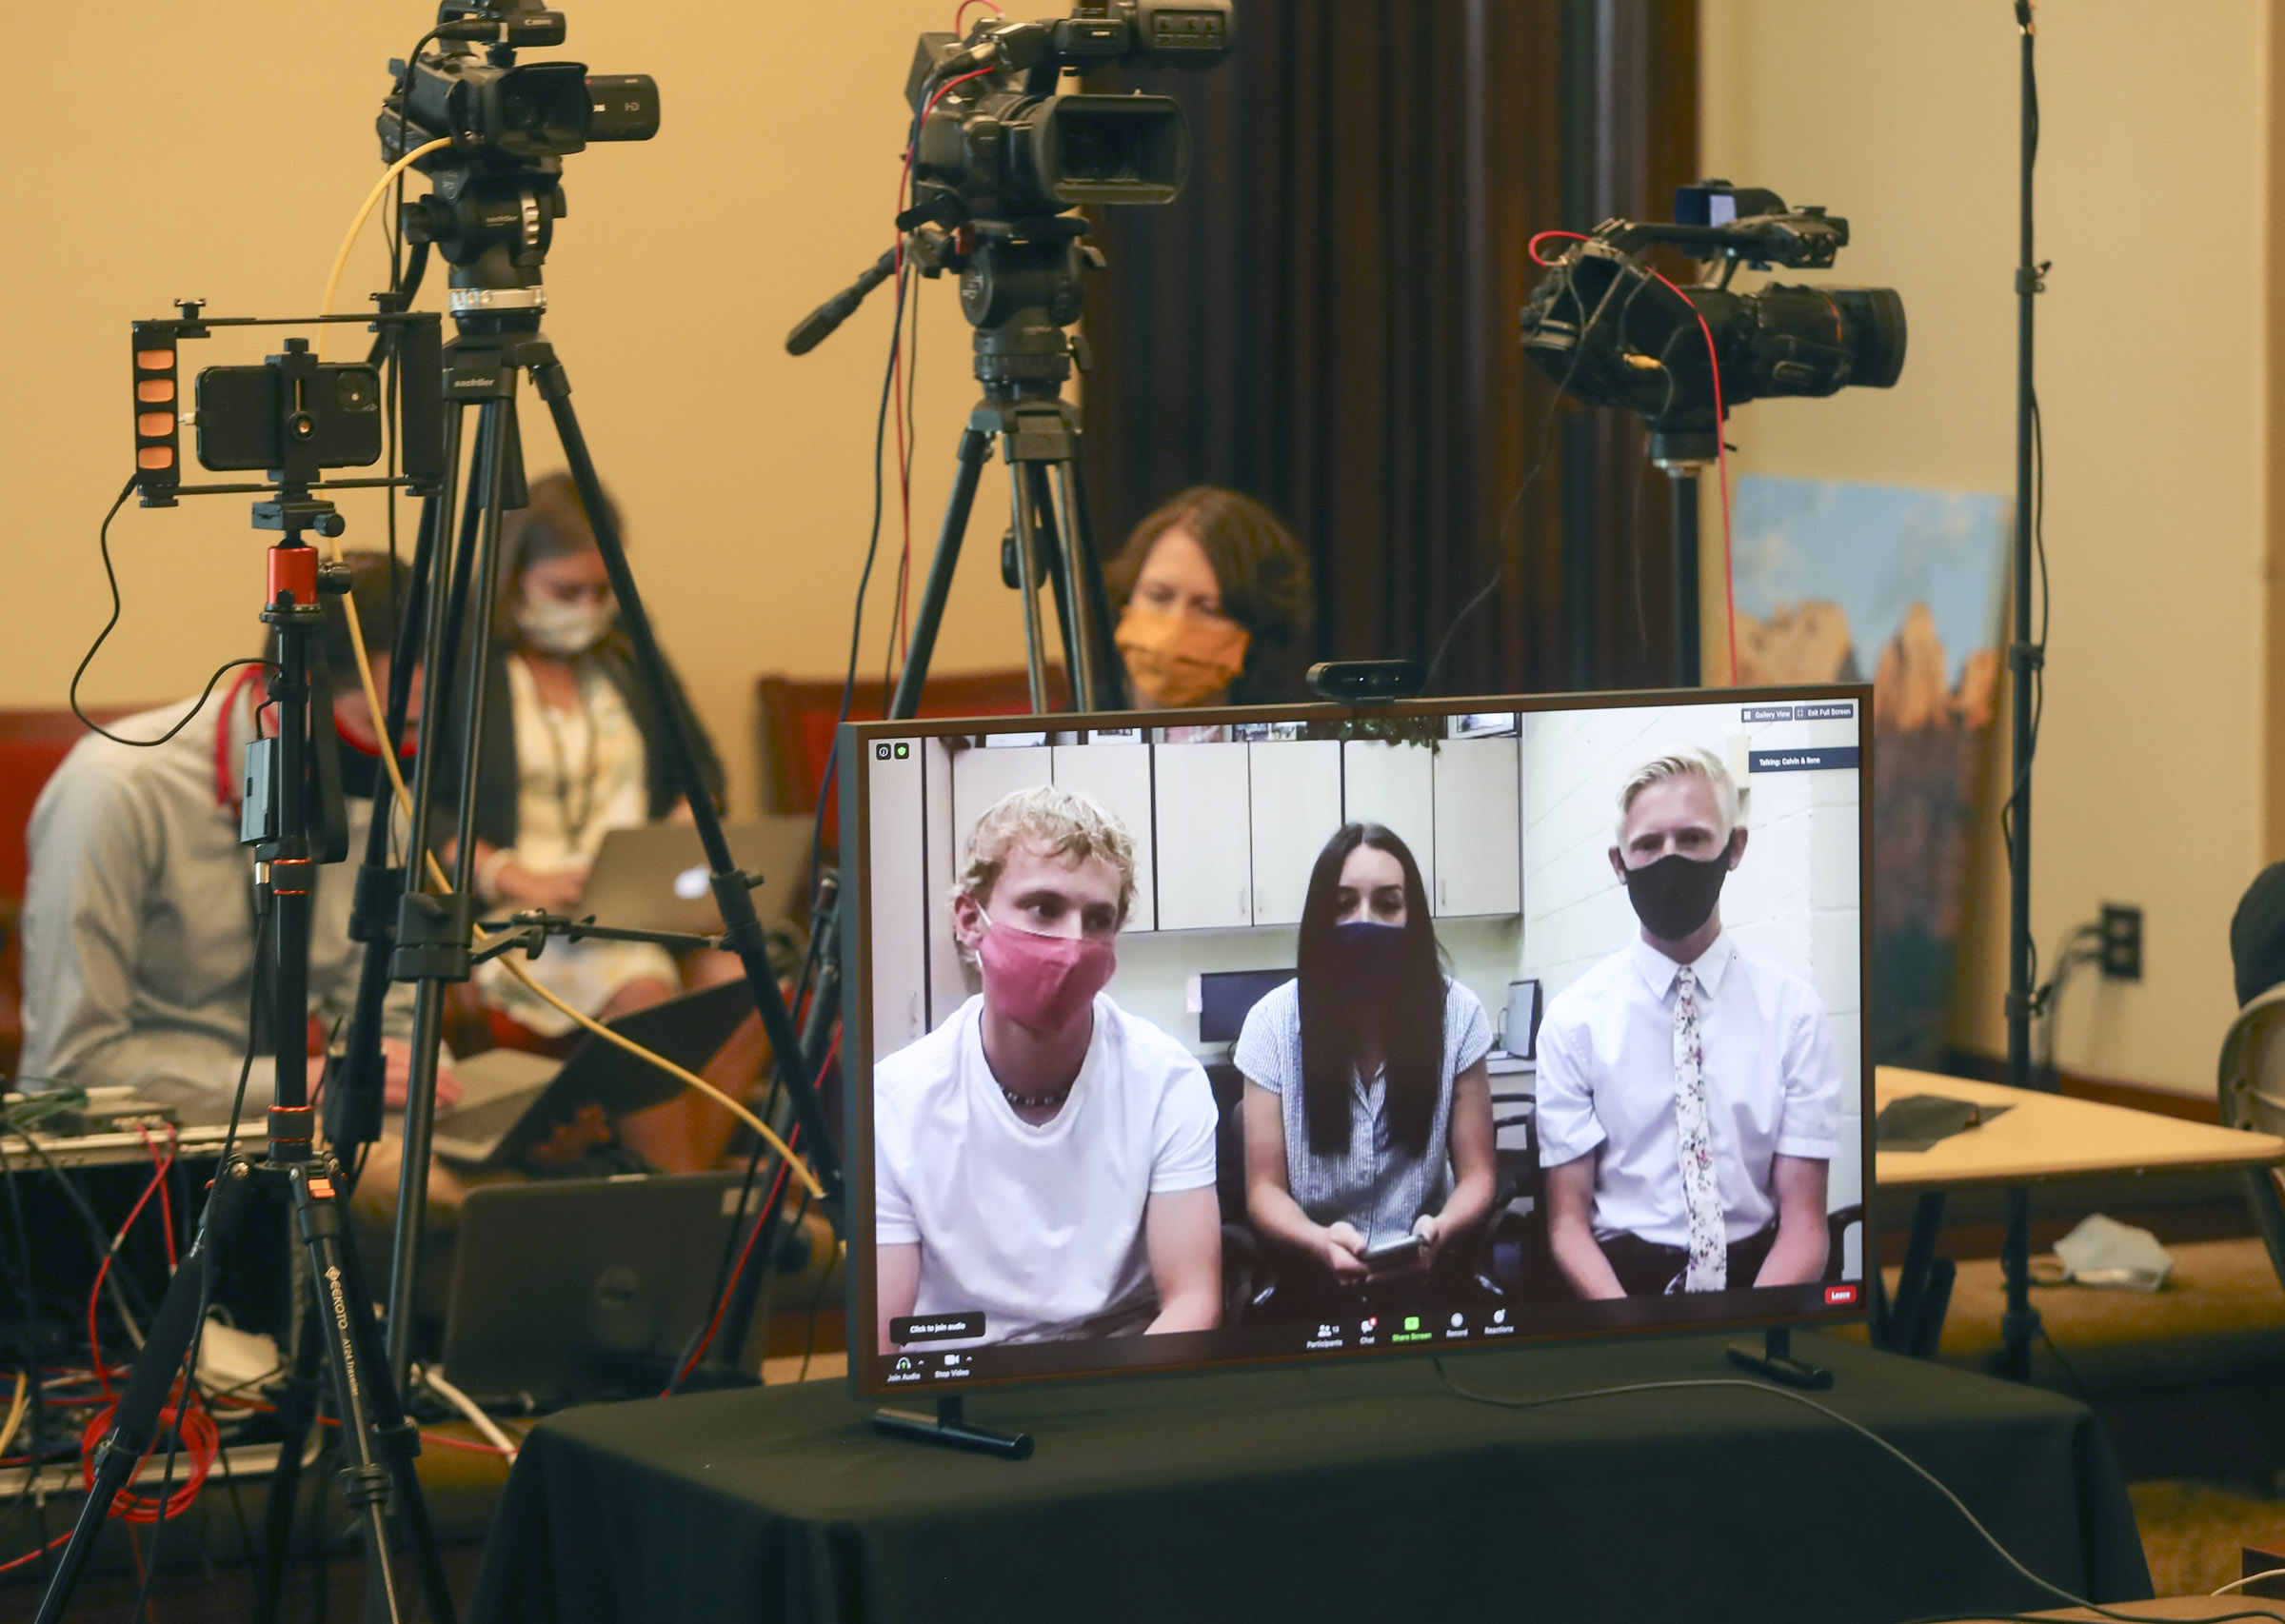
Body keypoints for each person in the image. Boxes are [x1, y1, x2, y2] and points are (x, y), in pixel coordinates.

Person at [20, 552, 454, 1125]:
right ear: (296, 696)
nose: (403, 753)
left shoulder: (382, 787)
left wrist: (427, 1076)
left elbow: (387, 1018)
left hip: (303, 1115)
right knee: (445, 1202)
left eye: (422, 728)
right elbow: (71, 1064)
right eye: (387, 727)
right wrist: (304, 1082)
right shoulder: (117, 790)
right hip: (146, 1136)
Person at [445, 471, 758, 1171]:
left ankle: (665, 1183)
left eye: (600, 591)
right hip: (525, 917)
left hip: (637, 900)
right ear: (514, 576)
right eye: (565, 592)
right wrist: (508, 872)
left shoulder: (625, 655)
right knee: (643, 993)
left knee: (757, 982)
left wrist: (684, 821)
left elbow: (702, 772)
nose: (587, 609)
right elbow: (423, 805)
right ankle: (686, 1201)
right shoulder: (470, 667)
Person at [872, 785, 1222, 1349]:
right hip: (966, 1384)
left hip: (1120, 1370)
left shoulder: (1166, 1083)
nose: (1071, 943)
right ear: (970, 918)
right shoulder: (895, 1101)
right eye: (1044, 908)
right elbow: (884, 1339)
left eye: (1098, 918)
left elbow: (1192, 1302)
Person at [1535, 748, 1840, 1298]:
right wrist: (1629, 1333)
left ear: (1734, 847)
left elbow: (1805, 1224)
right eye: (1648, 845)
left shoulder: (1794, 1014)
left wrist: (1748, 1330)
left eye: (1693, 839)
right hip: (1619, 1288)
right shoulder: (1573, 1022)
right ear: (1619, 863)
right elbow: (1567, 1225)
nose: (1669, 860)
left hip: (1760, 1282)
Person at [1233, 823, 1497, 1311]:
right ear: (1319, 917)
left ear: (1412, 916)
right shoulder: (1271, 1024)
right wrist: (1317, 1241)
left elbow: (1479, 1176)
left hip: (1428, 1270)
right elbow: (1263, 1191)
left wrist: (1440, 1231)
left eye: (1388, 903)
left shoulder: (1459, 1015)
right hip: (1313, 1275)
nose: (1365, 919)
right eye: (1343, 904)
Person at [1103, 486, 1315, 712]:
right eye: (1158, 596)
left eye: (1209, 609)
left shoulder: (1294, 730)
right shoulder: (1072, 724)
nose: (1174, 627)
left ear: (1255, 629)